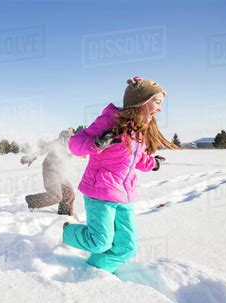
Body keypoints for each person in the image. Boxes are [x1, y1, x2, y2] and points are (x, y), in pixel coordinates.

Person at [62, 76, 177, 273]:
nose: (160, 108)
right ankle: (67, 231)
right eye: (157, 102)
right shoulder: (110, 121)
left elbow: (136, 159)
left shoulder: (140, 130)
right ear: (141, 101)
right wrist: (96, 143)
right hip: (100, 191)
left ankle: (95, 273)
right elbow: (75, 144)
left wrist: (153, 163)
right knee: (99, 243)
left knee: (127, 247)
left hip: (124, 194)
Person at [22, 129, 76, 216]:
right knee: (56, 196)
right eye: (69, 138)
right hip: (50, 170)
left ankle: (64, 215)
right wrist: (31, 157)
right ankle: (32, 200)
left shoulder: (72, 146)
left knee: (69, 193)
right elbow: (42, 149)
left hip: (61, 172)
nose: (70, 140)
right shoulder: (56, 143)